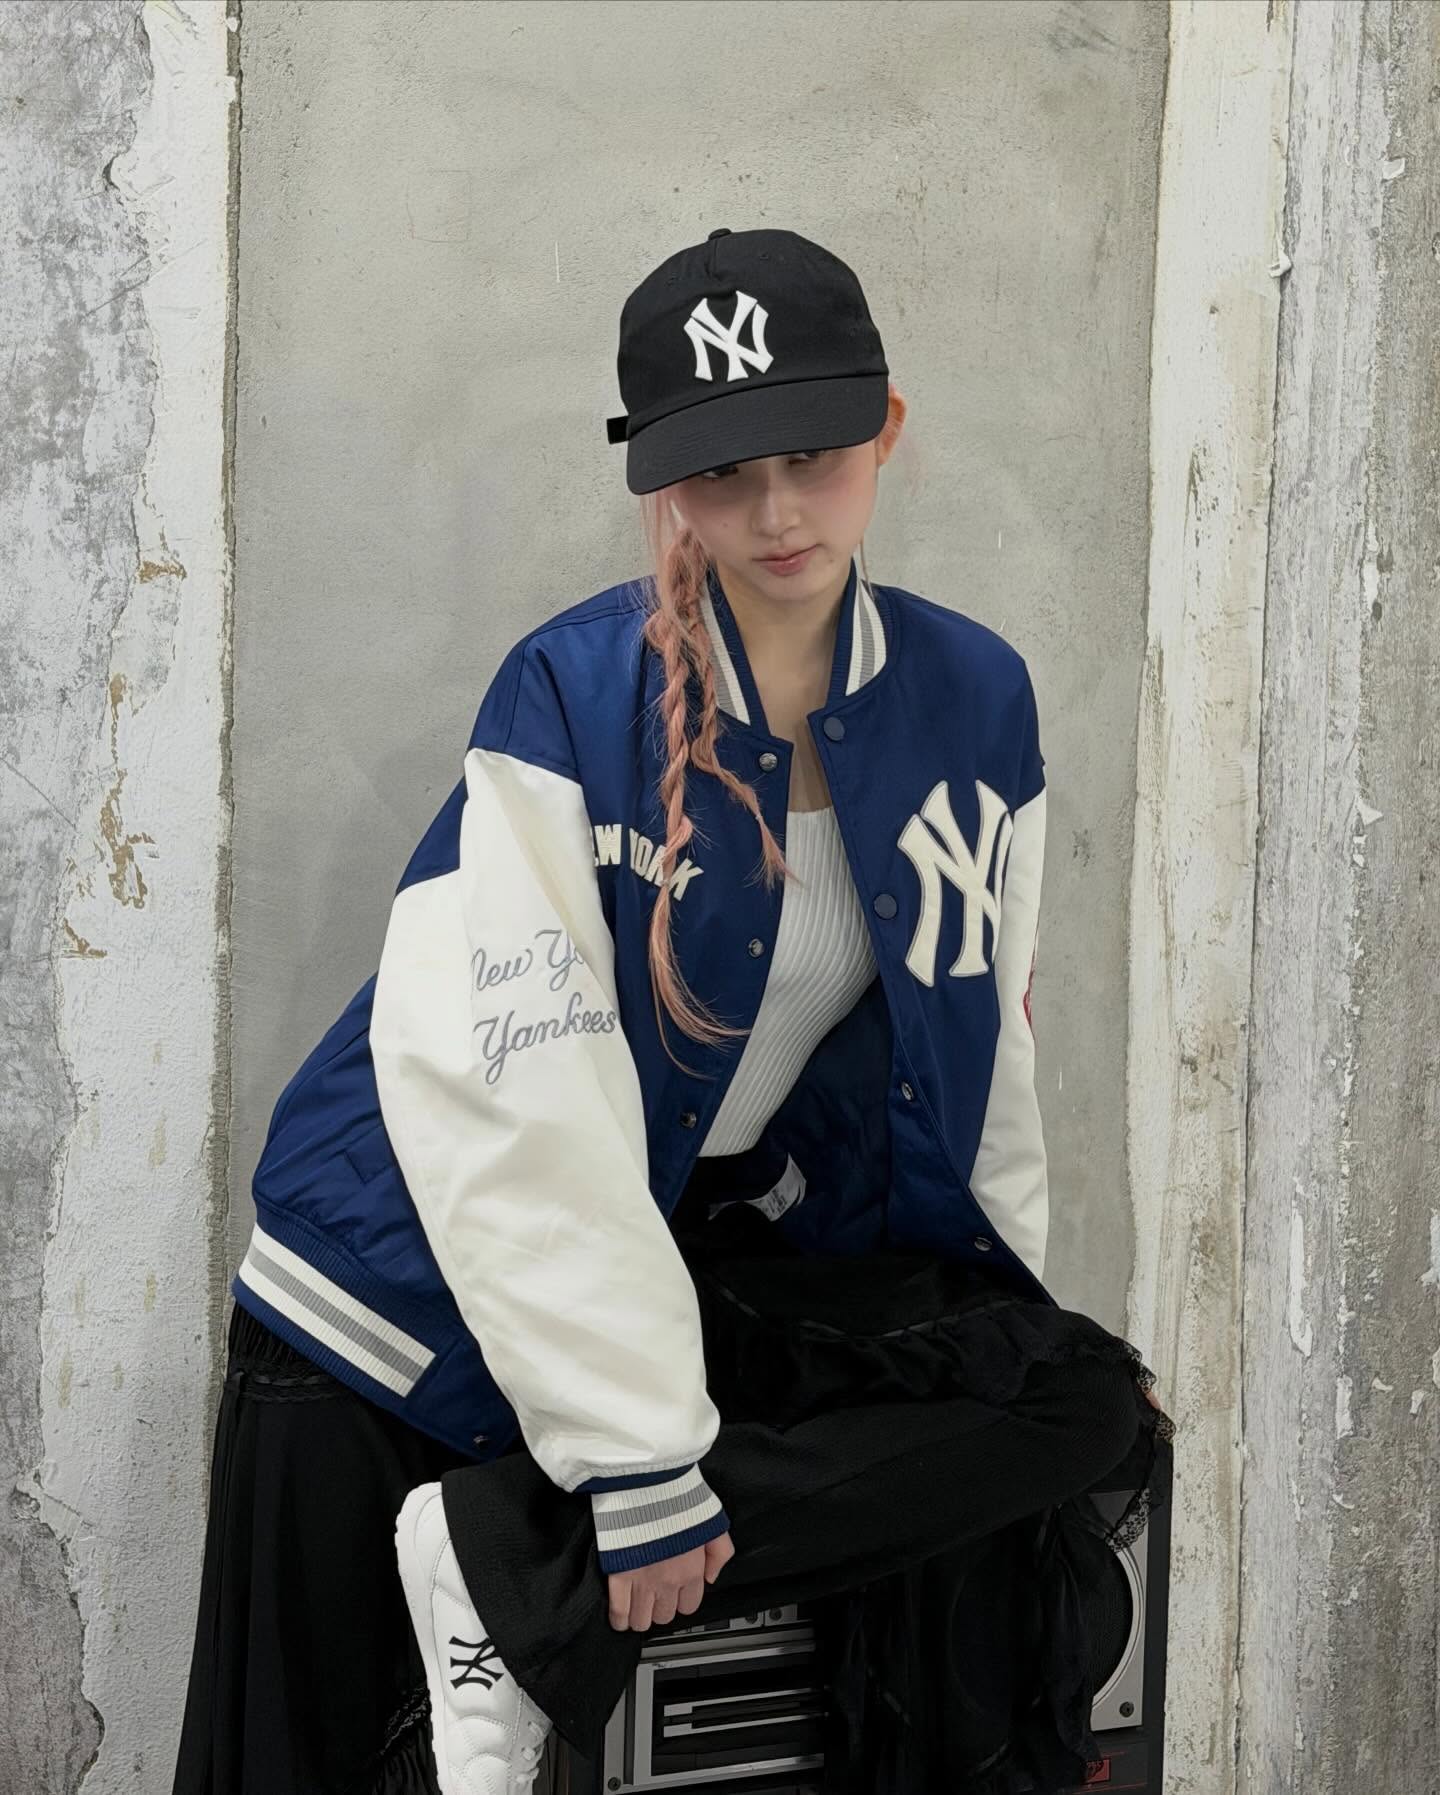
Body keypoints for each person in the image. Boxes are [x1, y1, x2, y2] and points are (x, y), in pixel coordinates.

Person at [172, 226, 1175, 1795]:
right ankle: (525, 1557)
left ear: (887, 430)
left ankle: (512, 1564)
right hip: (393, 1296)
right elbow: (517, 1093)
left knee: (1072, 1400)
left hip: (639, 1260)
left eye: (815, 455)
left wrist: (985, 1330)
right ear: (660, 484)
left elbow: (981, 1053)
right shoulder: (574, 695)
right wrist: (636, 1458)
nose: (778, 514)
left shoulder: (974, 700)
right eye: (722, 473)